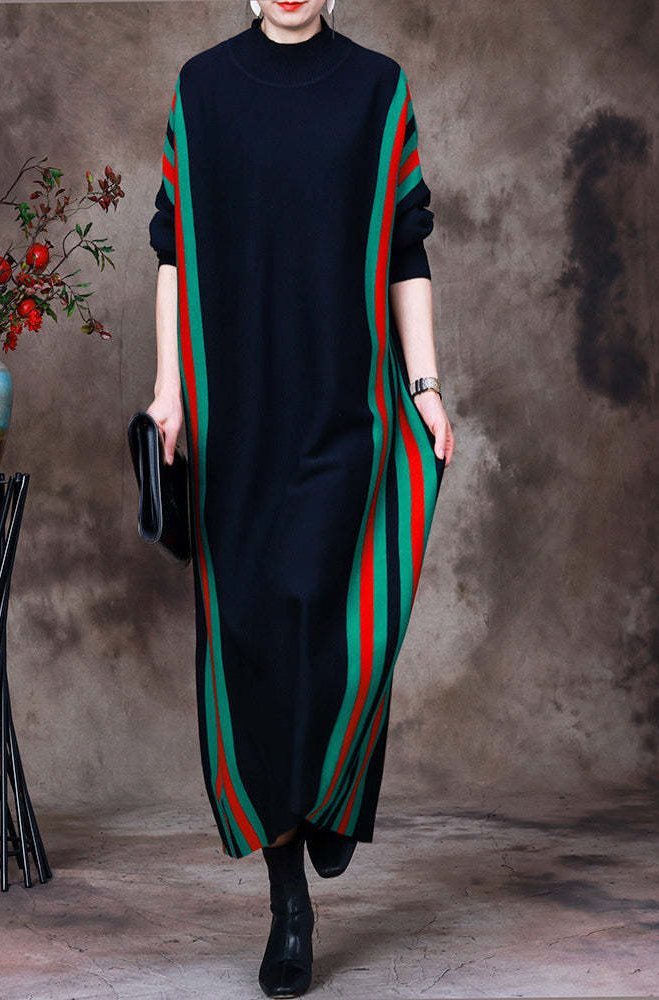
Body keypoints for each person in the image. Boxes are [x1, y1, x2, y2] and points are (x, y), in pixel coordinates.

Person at [146, 1, 454, 995]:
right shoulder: (202, 89)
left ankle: (332, 792)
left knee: (333, 617)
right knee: (254, 647)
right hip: (232, 420)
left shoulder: (377, 89)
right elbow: (172, 251)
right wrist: (168, 393)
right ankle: (289, 905)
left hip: (343, 412)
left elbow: (406, 249)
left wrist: (425, 386)